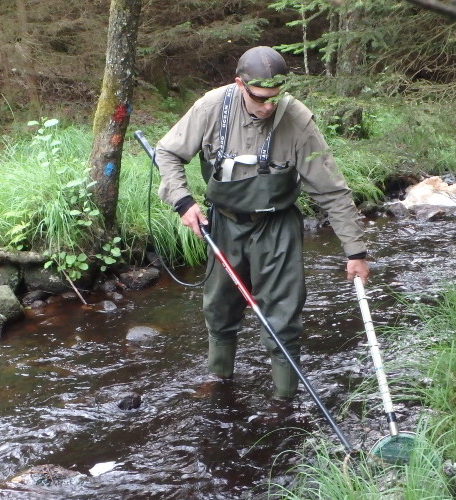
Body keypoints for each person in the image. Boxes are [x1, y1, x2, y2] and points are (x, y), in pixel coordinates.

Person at [154, 46, 369, 400]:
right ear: (240, 85)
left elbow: (331, 190)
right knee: (219, 310)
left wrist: (355, 251)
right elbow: (168, 152)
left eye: (275, 97)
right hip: (223, 225)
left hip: (277, 229)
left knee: (283, 319)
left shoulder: (297, 120)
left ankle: (284, 402)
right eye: (260, 99)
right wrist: (183, 202)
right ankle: (219, 383)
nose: (269, 107)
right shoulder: (211, 107)